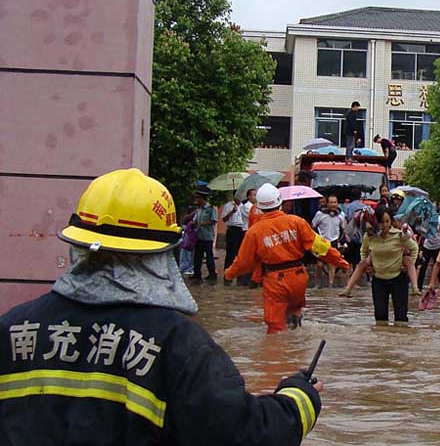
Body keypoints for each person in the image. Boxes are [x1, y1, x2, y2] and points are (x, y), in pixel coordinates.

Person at [0, 169, 323, 445]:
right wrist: (298, 398)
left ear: (78, 244)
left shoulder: (12, 327)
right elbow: (243, 434)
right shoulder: (178, 344)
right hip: (292, 281)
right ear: (161, 253)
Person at [225, 184, 350, 334]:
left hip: (275, 282)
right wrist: (341, 262)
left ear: (259, 206)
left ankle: (280, 354)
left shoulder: (254, 232)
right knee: (294, 317)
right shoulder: (297, 222)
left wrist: (228, 274)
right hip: (298, 278)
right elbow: (321, 247)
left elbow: (243, 263)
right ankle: (296, 340)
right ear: (280, 202)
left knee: (275, 328)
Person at [360, 206, 419, 325]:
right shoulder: (370, 236)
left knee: (401, 317)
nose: (385, 225)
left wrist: (408, 265)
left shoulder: (399, 235)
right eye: (382, 222)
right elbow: (363, 250)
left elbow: (414, 248)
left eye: (387, 221)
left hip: (399, 279)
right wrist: (368, 265)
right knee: (380, 318)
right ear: (376, 222)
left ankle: (399, 342)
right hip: (379, 280)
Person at [311, 195, 348, 289]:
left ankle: (330, 284)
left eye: (335, 202)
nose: (333, 204)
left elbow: (343, 228)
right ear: (327, 203)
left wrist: (343, 240)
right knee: (319, 265)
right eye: (331, 202)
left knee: (332, 264)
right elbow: (313, 225)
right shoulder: (320, 214)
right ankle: (318, 283)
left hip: (334, 241)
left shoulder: (341, 215)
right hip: (321, 242)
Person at [191, 186, 218, 283]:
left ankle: (212, 274)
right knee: (197, 256)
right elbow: (195, 219)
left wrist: (203, 223)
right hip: (199, 236)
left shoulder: (210, 209)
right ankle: (197, 274)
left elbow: (214, 221)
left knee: (209, 256)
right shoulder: (199, 209)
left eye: (198, 198)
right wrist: (193, 223)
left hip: (207, 236)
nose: (196, 200)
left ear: (202, 198)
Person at [221, 192, 246, 286]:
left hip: (241, 230)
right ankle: (227, 276)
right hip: (232, 230)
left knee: (240, 254)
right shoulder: (228, 205)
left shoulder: (243, 206)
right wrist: (232, 211)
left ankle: (240, 276)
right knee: (230, 254)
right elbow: (224, 219)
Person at [420, 211, 440, 292]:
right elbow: (422, 230)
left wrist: (439, 228)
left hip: (437, 245)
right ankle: (418, 287)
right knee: (423, 267)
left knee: (439, 266)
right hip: (426, 245)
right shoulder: (425, 218)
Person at [237, 188, 258, 286]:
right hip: (246, 231)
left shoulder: (255, 206)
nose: (255, 196)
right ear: (249, 197)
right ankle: (244, 277)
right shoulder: (247, 206)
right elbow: (253, 216)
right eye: (254, 195)